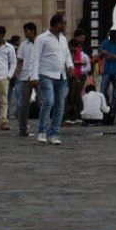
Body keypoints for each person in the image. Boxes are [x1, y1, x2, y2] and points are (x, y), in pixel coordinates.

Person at [34, 13, 74, 145]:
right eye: (64, 23)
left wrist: (70, 66)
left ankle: (54, 133)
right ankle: (42, 131)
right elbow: (35, 58)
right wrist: (34, 76)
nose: (65, 25)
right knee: (48, 102)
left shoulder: (63, 38)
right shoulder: (42, 38)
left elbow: (67, 55)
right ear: (57, 24)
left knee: (60, 105)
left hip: (61, 76)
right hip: (46, 75)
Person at [15, 22, 38, 136]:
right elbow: (20, 61)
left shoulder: (41, 43)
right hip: (25, 77)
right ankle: (22, 129)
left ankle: (44, 128)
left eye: (27, 31)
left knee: (44, 102)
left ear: (33, 31)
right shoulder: (24, 45)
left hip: (39, 76)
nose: (25, 33)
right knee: (23, 105)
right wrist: (17, 73)